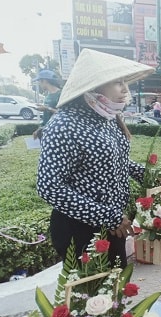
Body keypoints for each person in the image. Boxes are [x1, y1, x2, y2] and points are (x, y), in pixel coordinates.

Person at [36, 49, 154, 268]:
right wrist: (105, 216)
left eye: (125, 83)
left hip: (114, 222)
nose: (125, 90)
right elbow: (49, 186)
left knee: (115, 293)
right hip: (80, 228)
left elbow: (113, 160)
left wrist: (149, 176)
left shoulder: (106, 116)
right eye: (118, 83)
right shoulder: (64, 125)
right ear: (95, 86)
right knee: (89, 297)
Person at [32, 70, 62, 140]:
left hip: (56, 131)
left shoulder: (60, 94)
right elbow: (46, 117)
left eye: (40, 81)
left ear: (45, 81)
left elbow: (63, 114)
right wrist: (39, 129)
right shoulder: (47, 96)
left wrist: (47, 108)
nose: (39, 84)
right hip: (46, 130)